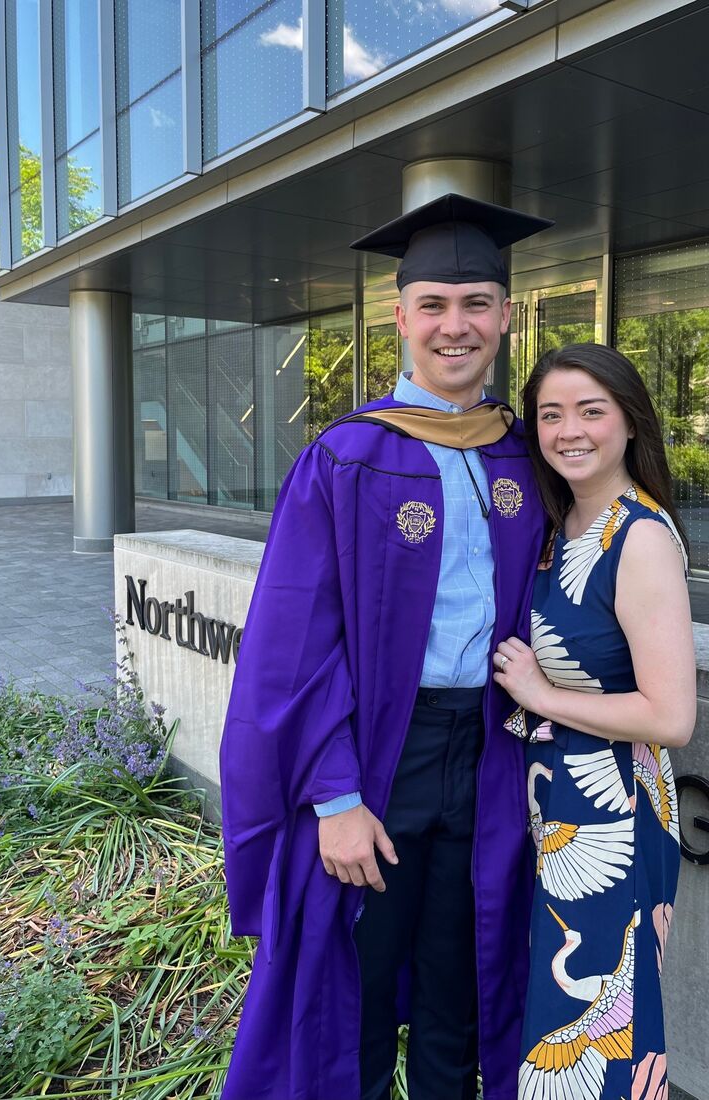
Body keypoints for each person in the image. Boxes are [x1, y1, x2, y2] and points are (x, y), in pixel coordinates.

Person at [220, 192, 553, 1100]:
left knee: (464, 985)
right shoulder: (347, 456)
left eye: (477, 304)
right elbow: (294, 643)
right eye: (435, 307)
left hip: (489, 753)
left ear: (506, 317)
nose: (457, 327)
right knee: (354, 993)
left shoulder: (527, 457)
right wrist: (332, 795)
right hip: (375, 757)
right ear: (400, 318)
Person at [492, 343, 696, 1100]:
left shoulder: (637, 537)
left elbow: (670, 715)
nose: (569, 430)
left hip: (615, 813)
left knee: (595, 1038)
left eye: (591, 411)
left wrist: (541, 696)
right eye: (551, 414)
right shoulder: (560, 524)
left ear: (630, 422)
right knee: (551, 1015)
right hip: (557, 807)